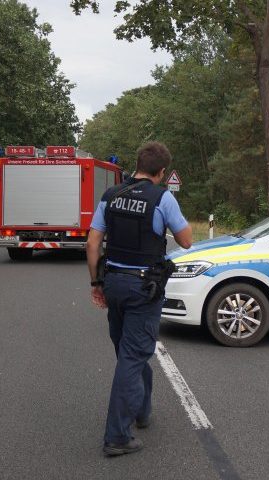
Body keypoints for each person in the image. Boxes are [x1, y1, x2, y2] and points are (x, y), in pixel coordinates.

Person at [86, 142, 193, 457]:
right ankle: (117, 436)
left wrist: (96, 283)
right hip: (144, 288)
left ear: (137, 164)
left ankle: (142, 410)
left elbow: (92, 244)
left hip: (114, 283)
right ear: (162, 171)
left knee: (129, 353)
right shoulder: (162, 198)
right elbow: (186, 240)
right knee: (133, 357)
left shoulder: (111, 195)